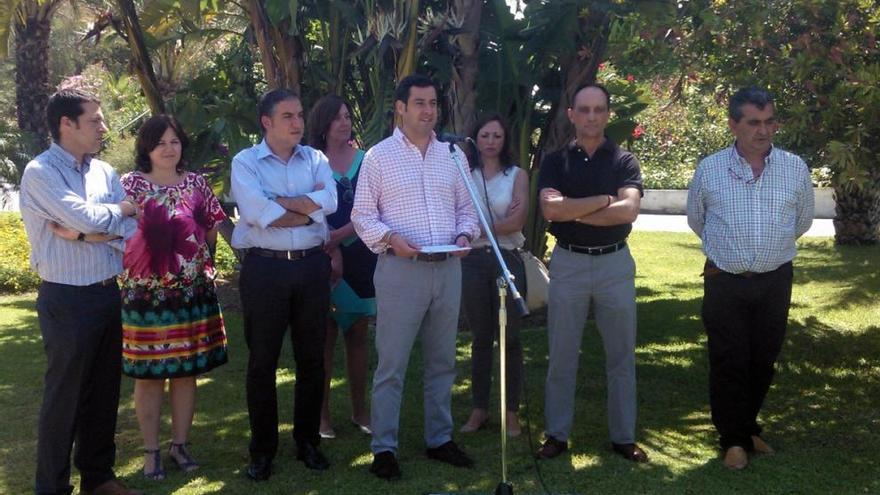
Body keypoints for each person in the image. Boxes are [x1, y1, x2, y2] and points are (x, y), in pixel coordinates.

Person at [351, 74, 480, 480]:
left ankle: (439, 439)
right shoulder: (378, 157)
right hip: (400, 270)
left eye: (433, 103)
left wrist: (464, 234)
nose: (428, 111)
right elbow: (362, 215)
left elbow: (468, 209)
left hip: (447, 270)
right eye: (419, 103)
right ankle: (384, 448)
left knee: (443, 361)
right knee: (392, 364)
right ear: (400, 108)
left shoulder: (454, 157)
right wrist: (390, 237)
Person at [19, 89, 142, 495]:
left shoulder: (105, 172)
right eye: (95, 120)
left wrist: (88, 234)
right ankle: (51, 488)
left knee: (104, 394)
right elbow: (86, 216)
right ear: (65, 125)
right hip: (67, 299)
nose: (104, 127)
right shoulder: (40, 173)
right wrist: (107, 219)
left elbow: (130, 228)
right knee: (64, 400)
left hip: (108, 293)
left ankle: (98, 478)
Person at [686, 86, 814, 470]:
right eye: (754, 122)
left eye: (769, 121)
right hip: (725, 278)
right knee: (729, 358)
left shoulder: (795, 168)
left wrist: (770, 250)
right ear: (733, 125)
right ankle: (734, 441)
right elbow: (698, 220)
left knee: (764, 357)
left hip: (775, 278)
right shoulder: (710, 169)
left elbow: (803, 221)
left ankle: (747, 427)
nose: (764, 130)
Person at [536, 83, 648, 463]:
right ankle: (556, 435)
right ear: (571, 114)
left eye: (598, 109)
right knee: (562, 354)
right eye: (583, 109)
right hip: (568, 263)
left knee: (621, 356)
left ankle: (623, 436)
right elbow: (550, 211)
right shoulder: (554, 161)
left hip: (615, 263)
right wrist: (603, 201)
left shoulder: (623, 161)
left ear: (607, 114)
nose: (591, 116)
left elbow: (628, 211)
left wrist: (574, 208)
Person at [231, 89, 338, 479]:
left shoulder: (317, 158)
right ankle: (262, 452)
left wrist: (282, 203)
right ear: (267, 122)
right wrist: (307, 211)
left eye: (299, 115)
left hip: (311, 268)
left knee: (312, 359)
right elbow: (259, 212)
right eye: (288, 116)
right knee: (262, 363)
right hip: (266, 270)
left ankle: (307, 442)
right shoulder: (245, 162)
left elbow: (332, 201)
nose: (298, 123)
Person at [117, 115, 228, 480]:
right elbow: (114, 229)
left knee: (185, 373)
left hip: (191, 295)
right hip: (146, 299)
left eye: (175, 141)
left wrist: (198, 266)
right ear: (146, 147)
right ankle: (151, 453)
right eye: (160, 142)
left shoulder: (196, 183)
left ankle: (180, 446)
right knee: (148, 376)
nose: (169, 148)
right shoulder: (128, 186)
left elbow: (211, 226)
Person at [307, 95, 376, 439]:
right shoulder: (309, 161)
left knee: (358, 335)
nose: (344, 123)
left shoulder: (368, 160)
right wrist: (328, 244)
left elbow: (376, 206)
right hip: (318, 255)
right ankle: (321, 417)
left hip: (361, 256)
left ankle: (360, 410)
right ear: (323, 123)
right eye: (336, 118)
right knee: (323, 337)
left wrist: (342, 237)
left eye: (348, 116)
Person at [458, 113, 529, 438]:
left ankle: (511, 412)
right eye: (484, 135)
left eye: (496, 136)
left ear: (505, 140)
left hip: (507, 259)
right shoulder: (464, 173)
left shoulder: (517, 175)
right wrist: (483, 229)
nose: (490, 142)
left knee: (510, 339)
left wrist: (477, 228)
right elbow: (457, 216)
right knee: (481, 338)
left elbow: (516, 223)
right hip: (472, 262)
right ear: (476, 138)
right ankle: (479, 409)